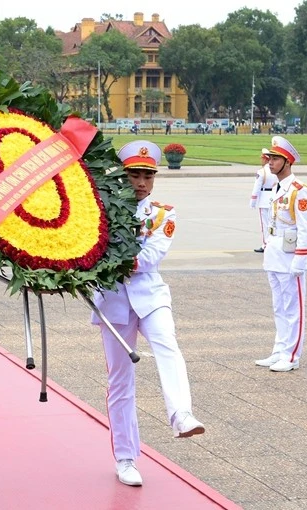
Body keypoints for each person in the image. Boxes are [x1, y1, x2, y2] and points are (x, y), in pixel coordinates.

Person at [92, 140, 205, 487]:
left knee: (167, 344)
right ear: (122, 175)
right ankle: (125, 457)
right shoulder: (100, 211)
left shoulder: (162, 212)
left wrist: (116, 262)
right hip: (114, 301)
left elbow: (153, 254)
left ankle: (181, 414)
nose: (140, 183)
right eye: (134, 175)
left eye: (147, 176)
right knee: (120, 381)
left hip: (150, 295)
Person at [254, 136, 307, 373]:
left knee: (293, 308)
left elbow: (306, 228)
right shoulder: (277, 187)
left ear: (287, 162)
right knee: (279, 306)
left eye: (276, 158)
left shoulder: (299, 191)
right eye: (270, 157)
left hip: (290, 256)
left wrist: (301, 259)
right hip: (275, 253)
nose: (270, 161)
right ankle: (280, 350)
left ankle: (291, 355)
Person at [249, 149, 278, 253]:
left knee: (265, 225)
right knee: (273, 223)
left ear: (265, 160)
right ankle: (273, 244)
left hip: (264, 199)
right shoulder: (276, 170)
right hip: (274, 198)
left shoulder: (262, 172)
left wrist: (253, 202)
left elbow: (256, 188)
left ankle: (266, 244)